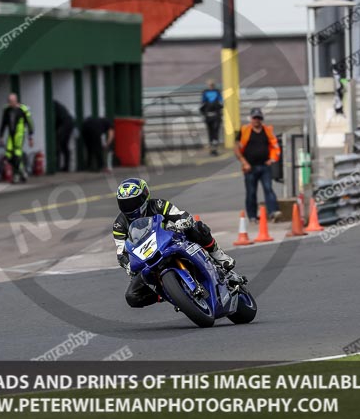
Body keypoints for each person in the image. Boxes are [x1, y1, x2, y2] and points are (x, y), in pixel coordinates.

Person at [113, 177, 236, 308]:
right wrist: (127, 265)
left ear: (145, 196)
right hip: (147, 257)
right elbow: (121, 252)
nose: (129, 207)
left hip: (169, 240)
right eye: (124, 203)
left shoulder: (158, 204)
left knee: (197, 228)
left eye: (133, 202)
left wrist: (183, 221)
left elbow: (180, 214)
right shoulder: (119, 224)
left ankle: (219, 256)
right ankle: (167, 294)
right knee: (132, 296)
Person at [234, 107, 282, 224]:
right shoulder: (244, 130)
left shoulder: (267, 131)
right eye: (255, 118)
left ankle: (273, 212)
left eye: (259, 118)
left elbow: (275, 146)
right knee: (251, 192)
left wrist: (272, 159)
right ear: (251, 118)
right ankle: (252, 216)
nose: (257, 120)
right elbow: (236, 149)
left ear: (262, 119)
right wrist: (244, 163)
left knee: (268, 189)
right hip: (250, 167)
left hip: (265, 166)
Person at [0, 93, 34, 183]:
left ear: (16, 100)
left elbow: (30, 123)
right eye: (10, 101)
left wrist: (30, 137)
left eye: (13, 101)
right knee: (8, 155)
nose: (11, 103)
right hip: (11, 134)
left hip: (20, 134)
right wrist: (1, 135)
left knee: (17, 153)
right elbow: (3, 123)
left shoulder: (23, 109)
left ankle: (16, 175)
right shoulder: (7, 110)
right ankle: (22, 172)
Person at [200, 79, 223, 153]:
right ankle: (211, 145)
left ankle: (214, 145)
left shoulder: (217, 92)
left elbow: (221, 102)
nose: (211, 86)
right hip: (209, 114)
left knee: (215, 130)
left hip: (215, 114)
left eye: (212, 85)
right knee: (210, 130)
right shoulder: (205, 92)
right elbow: (202, 103)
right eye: (210, 85)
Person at [53, 100, 75, 172]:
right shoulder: (56, 104)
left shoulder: (53, 105)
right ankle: (65, 166)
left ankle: (58, 166)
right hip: (68, 123)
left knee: (59, 144)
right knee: (64, 145)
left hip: (65, 124)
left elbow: (54, 118)